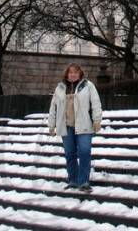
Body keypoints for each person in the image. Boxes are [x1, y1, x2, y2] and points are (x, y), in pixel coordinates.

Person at [48, 63, 102, 192]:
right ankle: (73, 180)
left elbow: (96, 103)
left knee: (84, 152)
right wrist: (51, 124)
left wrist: (97, 119)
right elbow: (53, 107)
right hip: (66, 127)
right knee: (70, 154)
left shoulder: (88, 86)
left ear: (80, 74)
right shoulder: (60, 88)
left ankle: (84, 182)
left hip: (84, 126)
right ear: (66, 74)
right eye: (70, 72)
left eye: (75, 72)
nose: (73, 74)